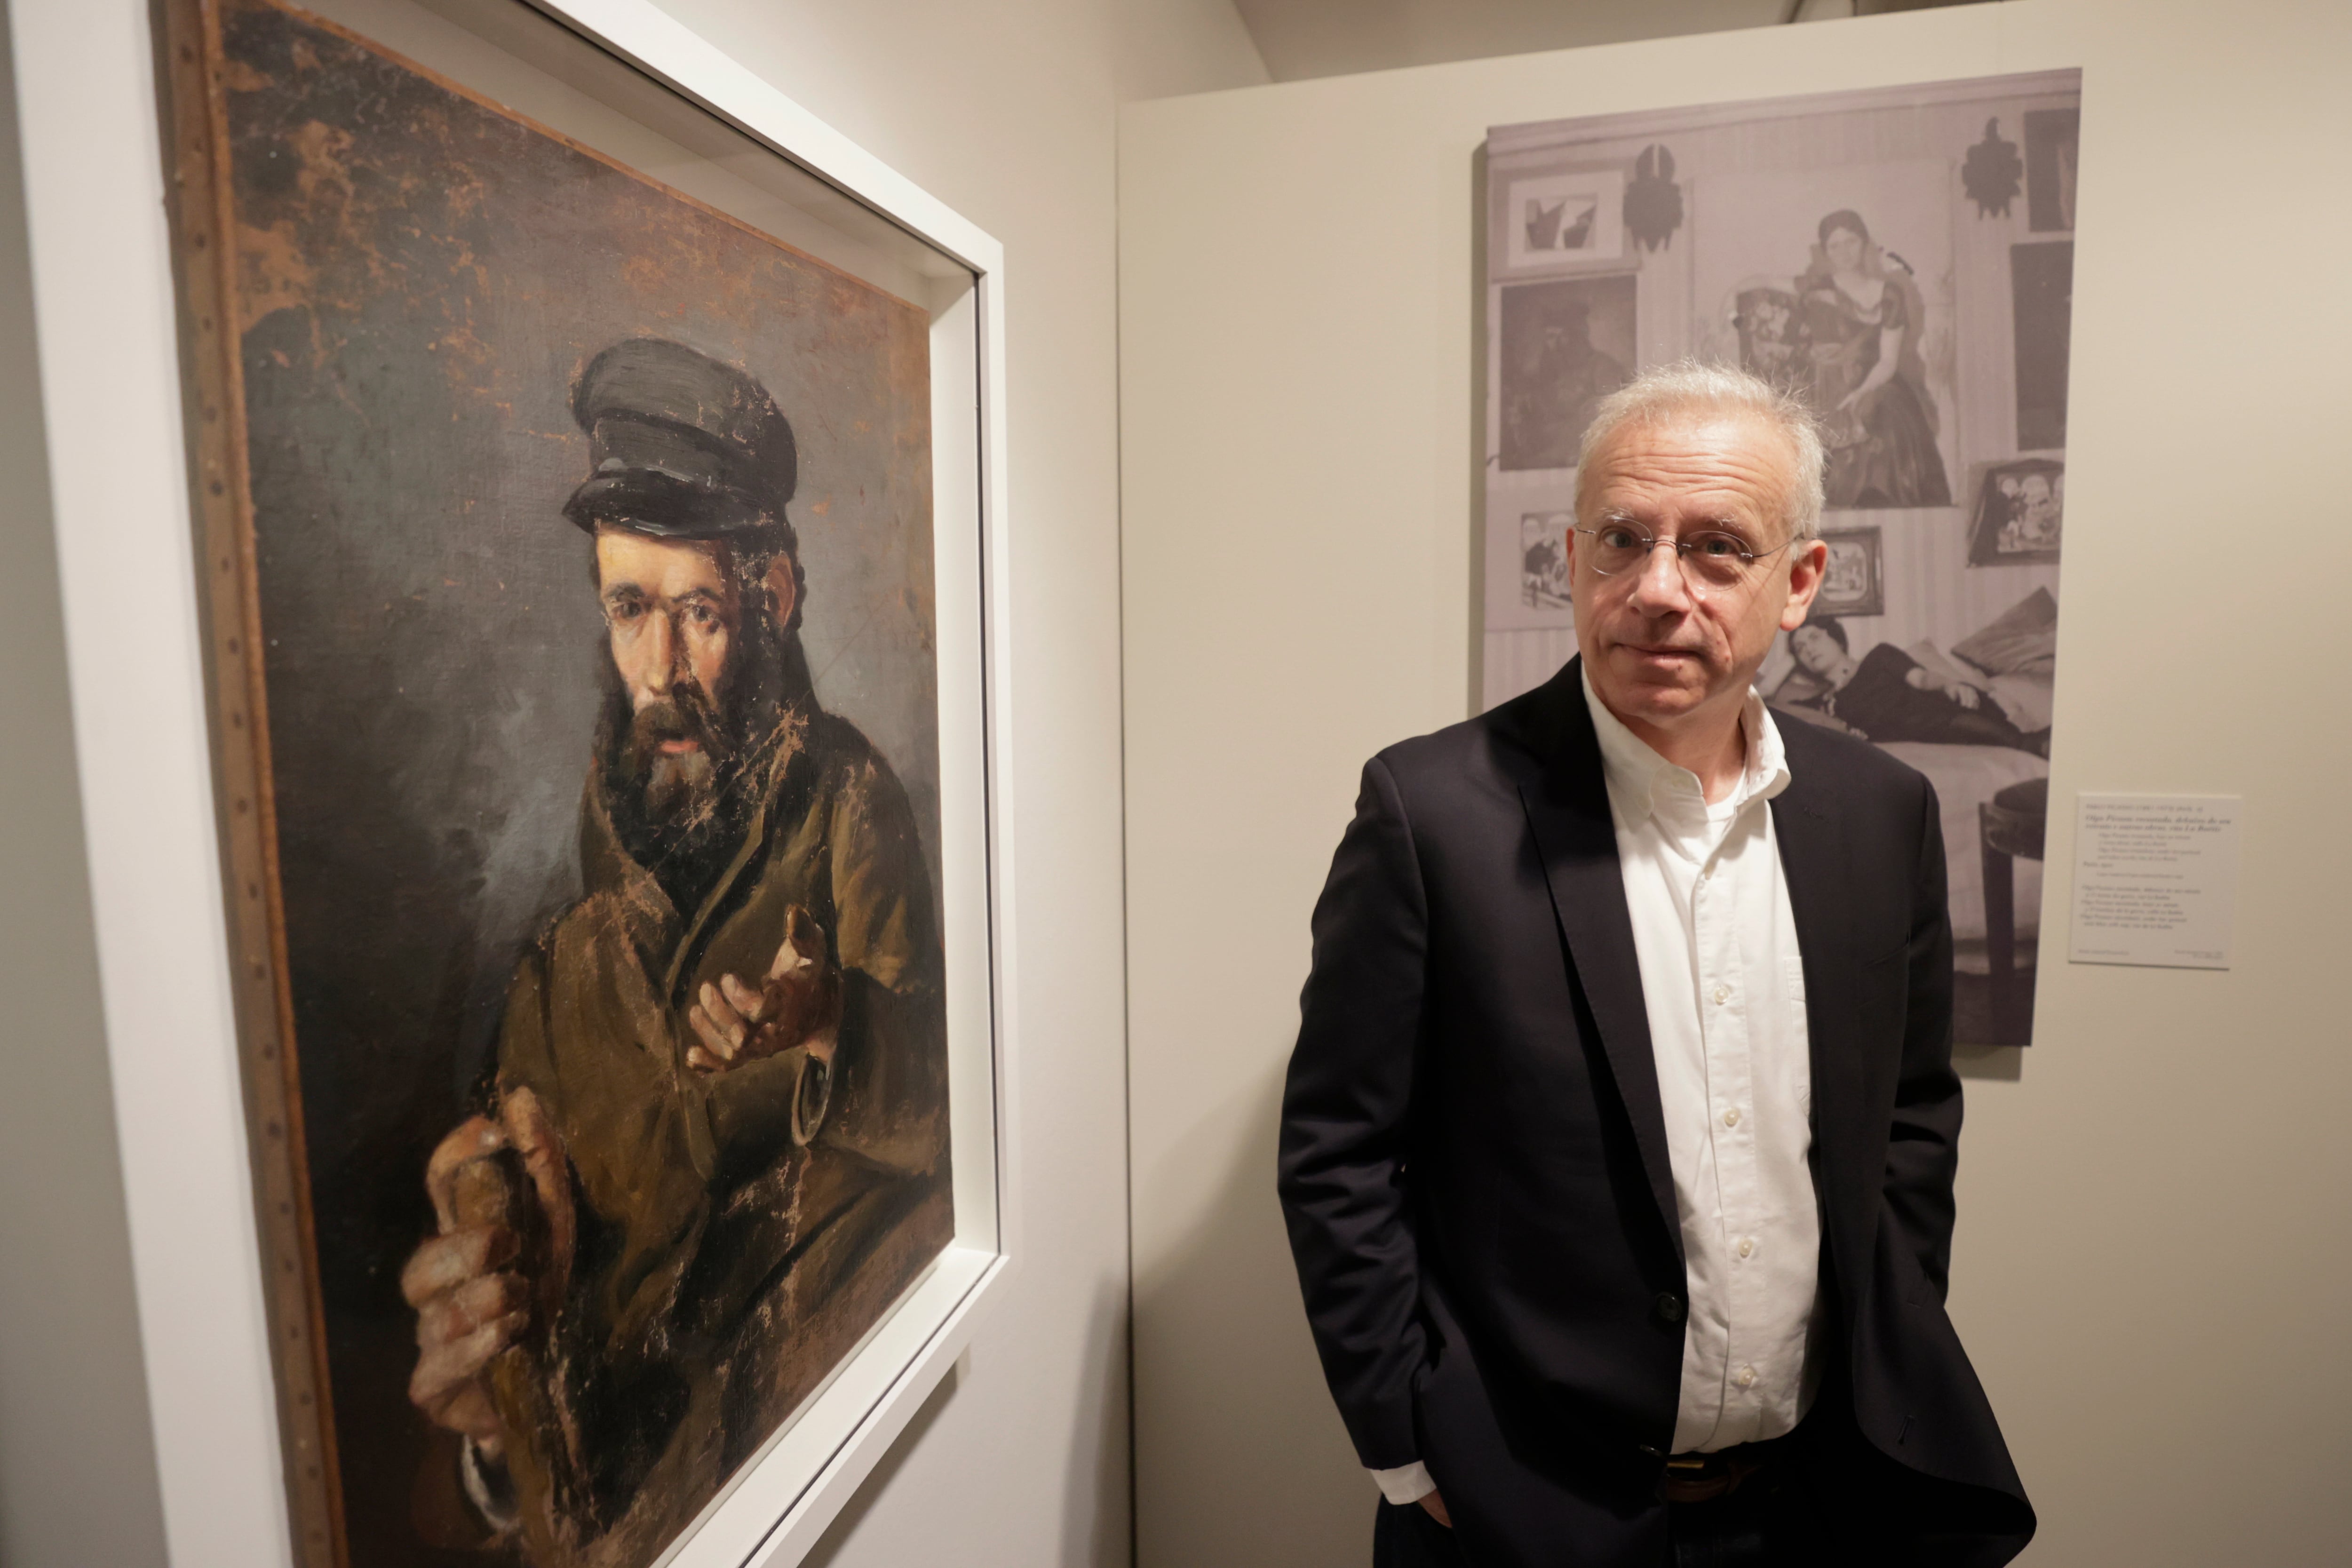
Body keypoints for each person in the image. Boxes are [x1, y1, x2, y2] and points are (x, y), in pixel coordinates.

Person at [1278, 363, 2032, 1566]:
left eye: (1717, 548)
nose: (1657, 590)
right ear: (1574, 557)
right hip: (1517, 1511)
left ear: (1799, 583)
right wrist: (1406, 1446)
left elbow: (1909, 1116)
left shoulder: (1878, 812)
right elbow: (1340, 1156)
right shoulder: (1432, 814)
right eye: (1623, 541)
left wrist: (1883, 1337)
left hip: (1810, 1502)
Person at [398, 339, 950, 1564]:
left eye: (698, 612)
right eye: (629, 610)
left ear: (775, 598)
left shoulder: (849, 802)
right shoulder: (584, 891)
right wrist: (502, 1407)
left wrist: (828, 1023)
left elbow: (948, 1124)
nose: (660, 670)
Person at [1799, 210, 1951, 508]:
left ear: (1866, 243)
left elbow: (1887, 362)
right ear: (1826, 252)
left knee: (1886, 419)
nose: (1845, 252)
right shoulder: (1819, 290)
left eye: (1851, 242)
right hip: (1828, 385)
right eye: (1835, 246)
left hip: (1877, 383)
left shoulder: (1889, 293)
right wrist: (1731, 298)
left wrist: (1859, 394)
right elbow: (1765, 282)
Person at [1787, 618, 2046, 757]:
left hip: (1939, 710)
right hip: (1913, 733)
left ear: (1837, 638)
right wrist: (1789, 657)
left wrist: (1949, 683)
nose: (1808, 649)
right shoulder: (1824, 703)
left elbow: (1921, 679)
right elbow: (1763, 700)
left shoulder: (1879, 656)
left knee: (2021, 744)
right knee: (2019, 742)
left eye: (1814, 638)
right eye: (1801, 649)